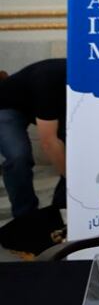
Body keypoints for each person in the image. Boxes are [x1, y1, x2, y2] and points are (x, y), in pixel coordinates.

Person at [0, 60, 67, 216]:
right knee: (18, 156)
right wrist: (72, 181)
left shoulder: (88, 81)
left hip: (45, 103)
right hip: (7, 106)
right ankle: (25, 216)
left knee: (76, 148)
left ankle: (62, 206)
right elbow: (48, 142)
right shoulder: (49, 81)